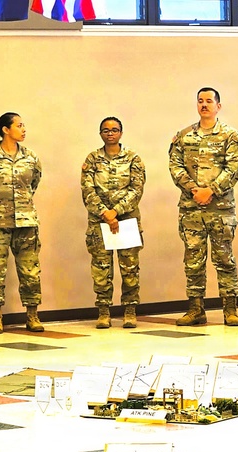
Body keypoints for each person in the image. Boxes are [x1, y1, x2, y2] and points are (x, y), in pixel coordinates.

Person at [171, 88, 238, 327]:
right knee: (193, 260)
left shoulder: (231, 136)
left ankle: (230, 309)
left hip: (220, 209)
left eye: (209, 101)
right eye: (200, 101)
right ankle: (196, 309)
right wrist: (194, 190)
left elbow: (233, 169)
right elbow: (175, 167)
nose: (204, 105)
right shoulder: (184, 136)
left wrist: (211, 190)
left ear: (218, 106)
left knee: (224, 259)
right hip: (191, 209)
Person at [0, 112, 45, 334]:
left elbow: (34, 183)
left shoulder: (31, 157)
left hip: (26, 222)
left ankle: (32, 315)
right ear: (5, 129)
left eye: (24, 125)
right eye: (19, 125)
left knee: (30, 271)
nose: (23, 129)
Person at [80, 117, 146, 329]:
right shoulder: (92, 159)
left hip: (126, 220)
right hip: (100, 222)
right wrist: (105, 214)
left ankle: (129, 310)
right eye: (106, 130)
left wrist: (116, 212)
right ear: (100, 134)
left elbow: (136, 190)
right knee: (101, 269)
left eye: (114, 130)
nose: (110, 133)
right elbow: (87, 190)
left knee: (129, 268)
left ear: (121, 133)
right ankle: (103, 311)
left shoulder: (133, 158)